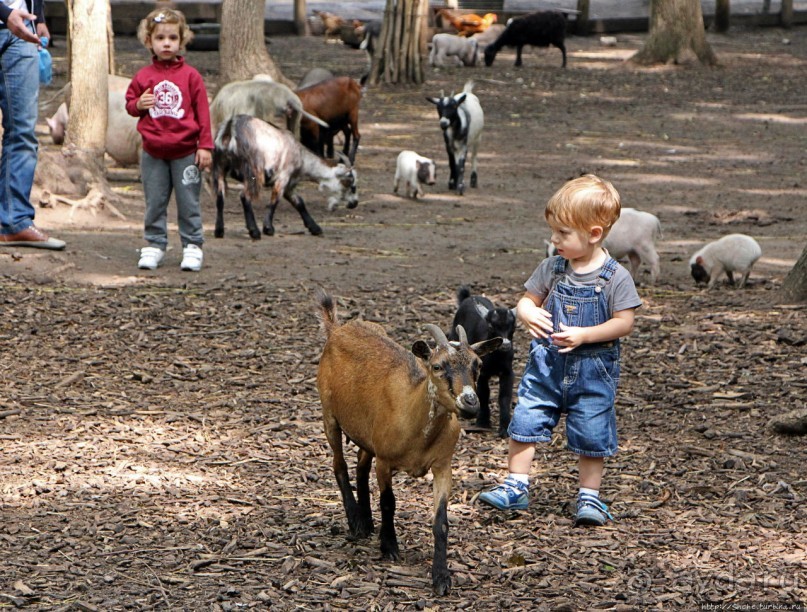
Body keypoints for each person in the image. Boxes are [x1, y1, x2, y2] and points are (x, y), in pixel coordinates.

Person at [478, 174, 642, 526]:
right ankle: (515, 485)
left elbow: (624, 323)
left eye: (563, 233)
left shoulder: (615, 277)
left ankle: (589, 497)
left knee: (592, 431)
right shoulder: (551, 269)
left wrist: (586, 335)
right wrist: (526, 312)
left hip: (593, 371)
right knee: (525, 421)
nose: (554, 239)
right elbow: (527, 300)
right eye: (553, 231)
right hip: (546, 367)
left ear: (594, 234)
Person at [125, 8, 212, 272]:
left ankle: (193, 245)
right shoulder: (143, 76)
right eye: (160, 38)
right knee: (155, 201)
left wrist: (205, 146)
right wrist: (138, 104)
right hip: (153, 152)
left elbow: (203, 113)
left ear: (181, 41)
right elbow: (130, 105)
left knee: (188, 201)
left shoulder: (191, 76)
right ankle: (155, 244)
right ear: (149, 41)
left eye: (172, 38)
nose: (166, 43)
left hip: (186, 152)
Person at [0, 0, 65, 250]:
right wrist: (5, 13)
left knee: (23, 131)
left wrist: (38, 16)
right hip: (10, 18)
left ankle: (14, 222)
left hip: (22, 30)